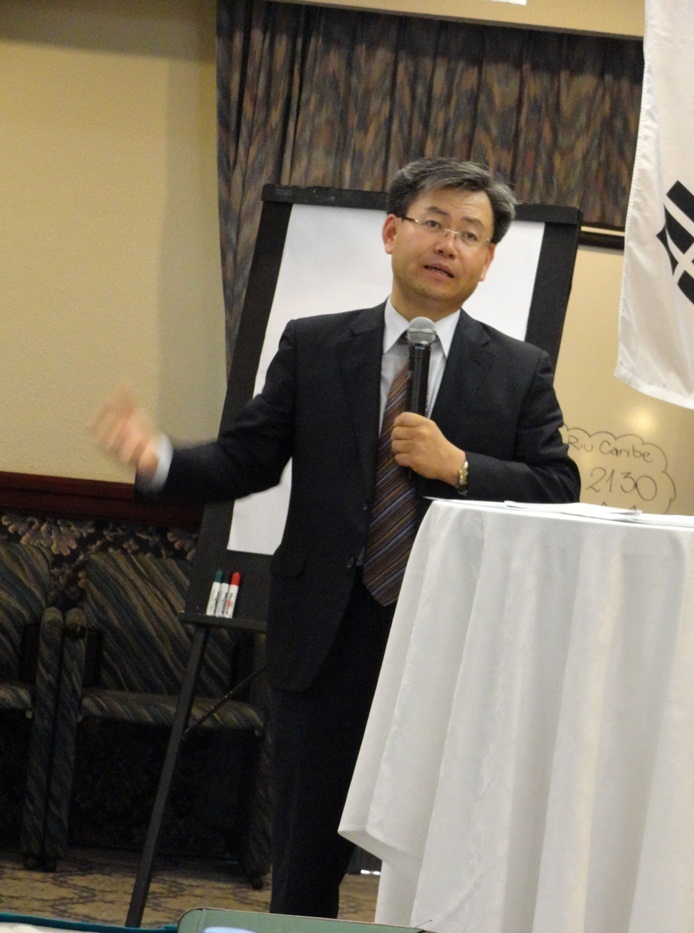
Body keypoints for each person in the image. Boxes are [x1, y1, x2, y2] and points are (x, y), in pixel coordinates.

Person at [94, 157, 581, 919]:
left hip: (451, 640)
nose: (447, 243)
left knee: (442, 855)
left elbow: (557, 486)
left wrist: (459, 466)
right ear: (391, 232)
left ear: (488, 261)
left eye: (469, 233)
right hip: (326, 632)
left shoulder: (518, 371)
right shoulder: (317, 345)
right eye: (432, 222)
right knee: (306, 852)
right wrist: (159, 458)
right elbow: (248, 458)